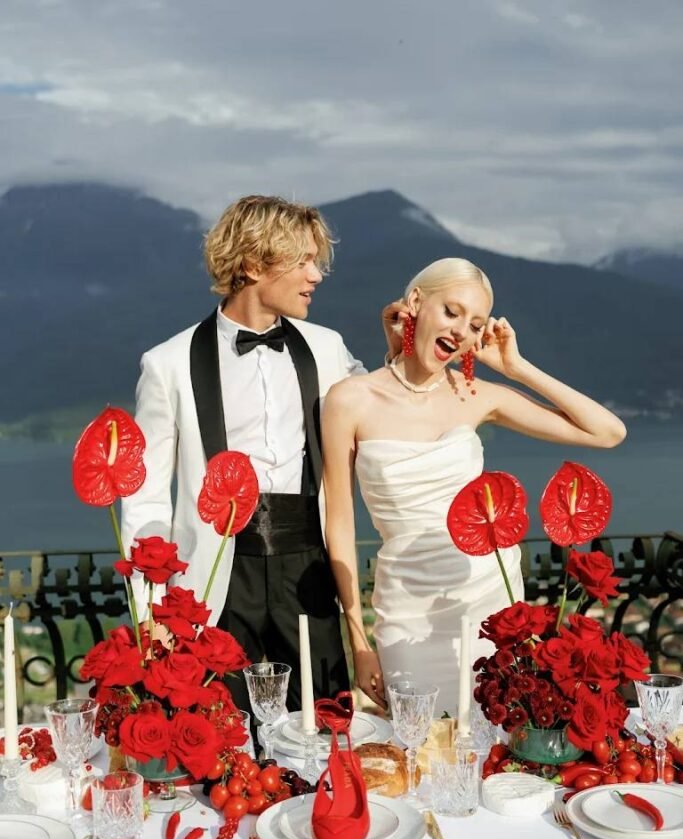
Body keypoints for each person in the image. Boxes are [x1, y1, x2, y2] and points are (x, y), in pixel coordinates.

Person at [322, 258, 627, 716]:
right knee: (417, 752)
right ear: (416, 302)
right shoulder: (350, 399)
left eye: (476, 324)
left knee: (495, 745)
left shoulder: (475, 395)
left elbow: (607, 432)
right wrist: (358, 641)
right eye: (452, 311)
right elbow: (339, 522)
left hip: (489, 603)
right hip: (405, 609)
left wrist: (517, 367)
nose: (461, 330)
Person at [121, 194, 378, 714]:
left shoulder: (327, 348)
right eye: (304, 260)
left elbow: (381, 413)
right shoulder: (167, 364)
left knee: (324, 723)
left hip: (307, 569)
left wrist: (399, 349)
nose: (317, 275)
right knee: (223, 737)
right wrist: (151, 611)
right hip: (216, 574)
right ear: (255, 264)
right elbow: (146, 498)